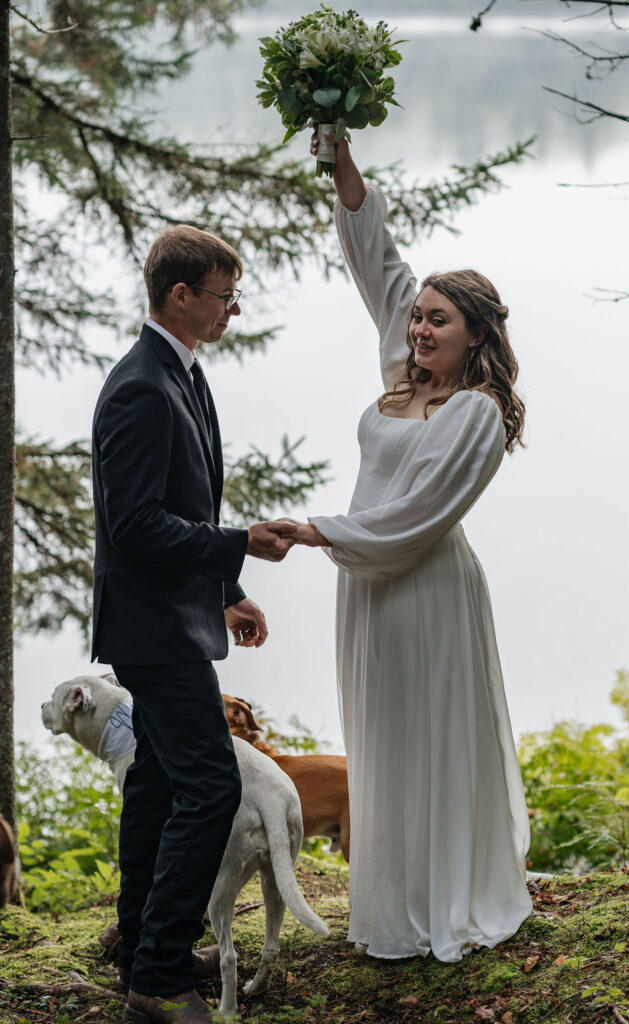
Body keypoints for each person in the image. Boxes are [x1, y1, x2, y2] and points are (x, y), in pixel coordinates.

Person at [285, 134, 533, 961]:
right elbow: (377, 262)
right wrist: (343, 166)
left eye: (438, 320)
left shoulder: (476, 414)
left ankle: (447, 901)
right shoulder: (405, 369)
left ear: (475, 335)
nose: (420, 328)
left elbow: (419, 515)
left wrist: (315, 529)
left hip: (423, 585)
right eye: (418, 317)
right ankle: (390, 901)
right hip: (366, 583)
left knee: (431, 734)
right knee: (381, 737)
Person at [91, 223, 295, 1023]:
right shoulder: (141, 386)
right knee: (209, 786)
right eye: (222, 297)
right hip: (148, 627)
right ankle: (159, 980)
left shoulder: (185, 373)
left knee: (156, 782)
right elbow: (136, 527)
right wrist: (240, 541)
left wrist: (225, 585)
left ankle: (139, 940)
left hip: (175, 612)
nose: (232, 311)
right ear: (179, 295)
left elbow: (183, 508)